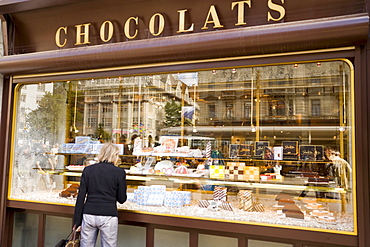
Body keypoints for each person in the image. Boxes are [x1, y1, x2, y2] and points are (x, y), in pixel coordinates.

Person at [73, 143, 127, 247]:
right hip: (108, 215)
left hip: (89, 214)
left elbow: (81, 197)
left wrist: (77, 221)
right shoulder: (119, 172)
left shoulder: (88, 170)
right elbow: (121, 199)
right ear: (115, 156)